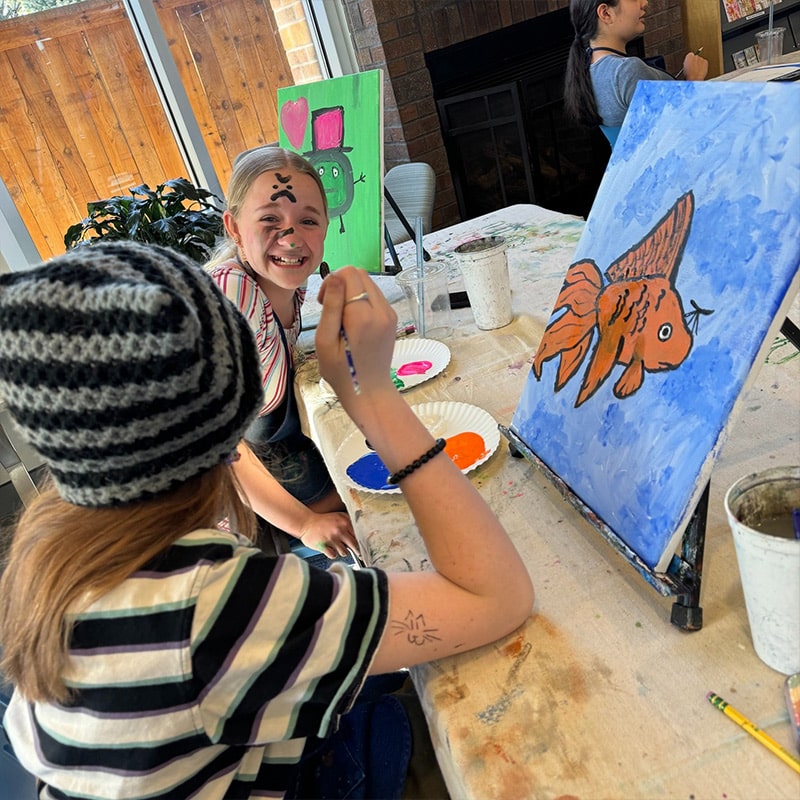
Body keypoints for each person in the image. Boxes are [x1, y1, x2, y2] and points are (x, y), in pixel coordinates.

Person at [0, 241, 534, 798]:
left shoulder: (51, 538)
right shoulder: (207, 607)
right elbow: (496, 598)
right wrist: (376, 397)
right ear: (231, 428)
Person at [206, 146, 357, 561]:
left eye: (307, 221)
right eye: (270, 220)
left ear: (326, 225)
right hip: (237, 512)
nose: (291, 239)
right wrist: (305, 525)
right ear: (234, 228)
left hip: (281, 458)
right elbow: (218, 451)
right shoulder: (232, 296)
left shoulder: (290, 282)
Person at [565, 0, 708, 148]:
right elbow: (679, 136)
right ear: (606, 13)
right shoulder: (627, 71)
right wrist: (694, 79)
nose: (644, 3)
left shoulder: (587, 68)